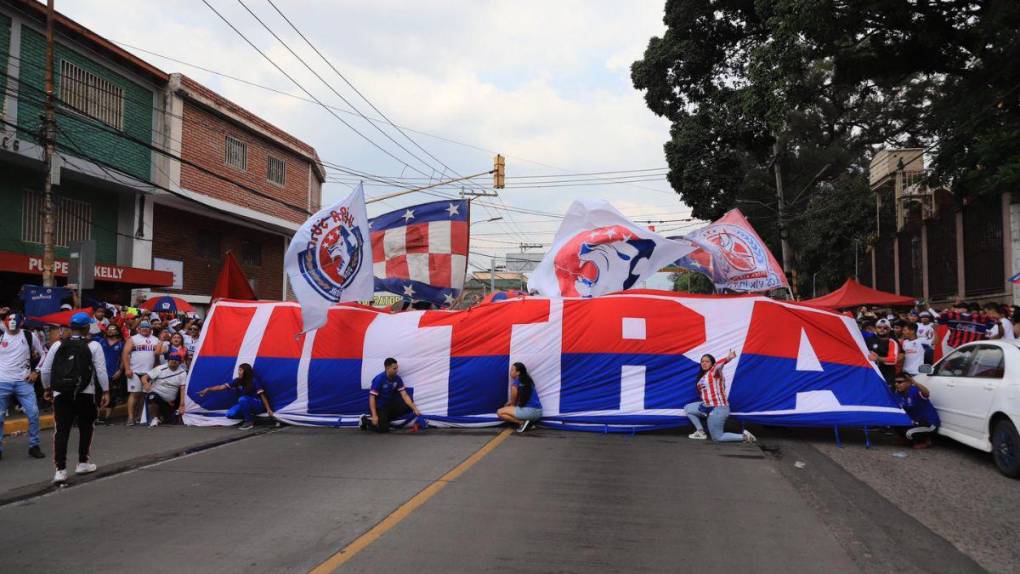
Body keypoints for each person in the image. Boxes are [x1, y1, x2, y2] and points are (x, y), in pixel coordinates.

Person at [40, 312, 110, 484]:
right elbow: (101, 371)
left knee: (61, 431)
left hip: (61, 393)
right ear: (87, 327)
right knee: (86, 427)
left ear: (71, 327)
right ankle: (83, 462)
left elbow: (45, 370)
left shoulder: (57, 345)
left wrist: (47, 388)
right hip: (86, 393)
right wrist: (106, 391)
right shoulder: (94, 345)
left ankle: (60, 470)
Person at [0, 310, 46, 460]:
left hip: (23, 382)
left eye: (15, 322)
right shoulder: (1, 336)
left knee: (33, 414)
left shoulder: (28, 335)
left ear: (21, 322)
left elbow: (44, 353)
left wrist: (36, 372)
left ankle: (34, 446)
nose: (11, 325)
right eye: (9, 321)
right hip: (2, 383)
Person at [684, 350, 756, 443]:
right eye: (702, 361)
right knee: (688, 408)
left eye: (707, 361)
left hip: (718, 409)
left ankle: (744, 436)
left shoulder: (714, 372)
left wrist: (728, 358)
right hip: (706, 406)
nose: (704, 363)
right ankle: (700, 432)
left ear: (712, 363)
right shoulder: (703, 377)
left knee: (717, 437)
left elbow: (719, 365)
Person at [197, 364, 273, 430]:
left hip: (258, 405)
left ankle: (249, 422)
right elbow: (221, 387)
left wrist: (268, 409)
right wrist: (208, 389)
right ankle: (251, 417)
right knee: (230, 414)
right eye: (238, 370)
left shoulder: (254, 381)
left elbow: (263, 396)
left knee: (242, 399)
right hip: (245, 403)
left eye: (240, 370)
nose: (238, 372)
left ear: (246, 371)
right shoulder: (237, 381)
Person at [359, 358, 422, 433]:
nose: (397, 370)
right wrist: (375, 415)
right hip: (379, 407)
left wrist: (414, 408)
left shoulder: (397, 379)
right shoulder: (379, 379)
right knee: (384, 430)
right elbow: (372, 397)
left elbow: (404, 395)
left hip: (389, 405)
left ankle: (383, 420)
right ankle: (364, 420)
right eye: (394, 368)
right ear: (387, 368)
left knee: (408, 408)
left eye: (397, 368)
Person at [122, 320, 158, 426]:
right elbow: (125, 354)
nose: (145, 329)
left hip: (149, 372)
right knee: (134, 394)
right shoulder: (133, 339)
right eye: (143, 328)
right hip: (135, 371)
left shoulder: (155, 339)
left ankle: (140, 417)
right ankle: (130, 417)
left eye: (147, 328)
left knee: (145, 395)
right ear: (139, 329)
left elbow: (158, 355)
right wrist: (127, 368)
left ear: (151, 329)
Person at [141, 350, 188, 426]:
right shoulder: (160, 368)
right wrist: (146, 383)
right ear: (168, 360)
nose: (173, 361)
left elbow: (183, 389)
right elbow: (144, 377)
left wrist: (182, 405)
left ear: (180, 362)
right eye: (172, 359)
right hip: (156, 395)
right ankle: (154, 418)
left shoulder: (182, 373)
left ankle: (162, 417)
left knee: (170, 421)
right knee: (152, 397)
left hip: (169, 401)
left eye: (176, 360)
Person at [893, 374, 940, 449]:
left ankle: (926, 441)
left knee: (909, 434)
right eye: (895, 382)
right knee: (894, 421)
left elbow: (926, 393)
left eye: (900, 382)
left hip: (929, 423)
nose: (896, 384)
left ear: (909, 382)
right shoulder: (898, 394)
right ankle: (906, 439)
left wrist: (914, 382)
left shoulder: (915, 390)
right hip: (915, 422)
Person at [496, 362, 542, 432]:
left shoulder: (515, 384)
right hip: (538, 412)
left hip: (529, 412)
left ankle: (522, 423)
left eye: (512, 370)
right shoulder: (529, 381)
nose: (510, 372)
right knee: (509, 409)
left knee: (500, 412)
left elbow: (513, 403)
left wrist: (507, 405)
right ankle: (528, 422)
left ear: (518, 373)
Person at [95, 323, 125, 425]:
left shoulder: (121, 344)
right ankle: (97, 416)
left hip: (113, 373)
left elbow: (123, 359)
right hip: (100, 372)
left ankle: (107, 418)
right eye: (109, 329)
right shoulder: (100, 341)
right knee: (98, 394)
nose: (111, 331)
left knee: (112, 396)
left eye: (113, 329)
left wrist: (120, 371)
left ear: (117, 331)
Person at [867, 318, 902, 389]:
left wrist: (878, 358)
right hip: (871, 374)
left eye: (885, 328)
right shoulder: (869, 340)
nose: (882, 329)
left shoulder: (892, 342)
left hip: (886, 375)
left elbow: (893, 360)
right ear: (875, 328)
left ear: (889, 329)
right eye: (879, 327)